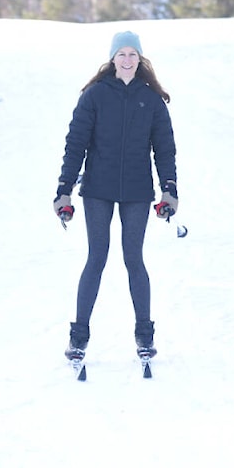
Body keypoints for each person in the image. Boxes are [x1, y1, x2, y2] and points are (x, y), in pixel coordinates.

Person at [55, 31, 178, 363]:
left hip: (137, 192)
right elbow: (75, 144)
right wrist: (64, 190)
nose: (127, 60)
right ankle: (78, 338)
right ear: (112, 59)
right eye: (121, 54)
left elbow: (165, 150)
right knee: (97, 259)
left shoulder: (151, 100)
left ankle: (145, 337)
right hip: (97, 189)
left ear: (140, 60)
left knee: (133, 260)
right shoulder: (94, 96)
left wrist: (169, 189)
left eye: (133, 55)